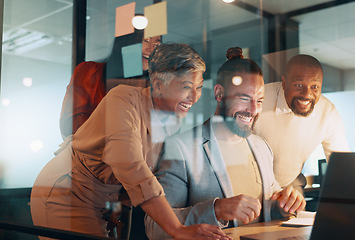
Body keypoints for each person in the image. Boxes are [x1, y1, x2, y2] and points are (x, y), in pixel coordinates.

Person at [30, 43, 229, 240]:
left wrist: (120, 214)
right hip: (67, 192)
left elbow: (136, 178)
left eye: (199, 87)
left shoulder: (171, 120)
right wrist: (177, 228)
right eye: (186, 87)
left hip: (103, 202)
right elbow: (131, 167)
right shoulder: (122, 99)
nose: (194, 97)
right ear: (158, 85)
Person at [145, 47, 306, 239]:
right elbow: (155, 228)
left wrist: (286, 204)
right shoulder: (181, 148)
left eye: (260, 100)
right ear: (219, 93)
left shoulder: (262, 146)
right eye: (244, 98)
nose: (253, 109)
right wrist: (216, 210)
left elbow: (267, 210)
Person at [253, 54, 350, 189]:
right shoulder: (258, 99)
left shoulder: (328, 113)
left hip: (288, 187)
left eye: (314, 87)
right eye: (299, 85)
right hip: (249, 184)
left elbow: (342, 167)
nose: (306, 94)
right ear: (285, 83)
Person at [59, 30, 161, 139]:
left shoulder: (151, 87)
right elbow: (71, 124)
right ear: (127, 41)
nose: (151, 49)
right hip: (94, 152)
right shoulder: (90, 72)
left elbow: (157, 135)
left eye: (157, 44)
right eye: (146, 40)